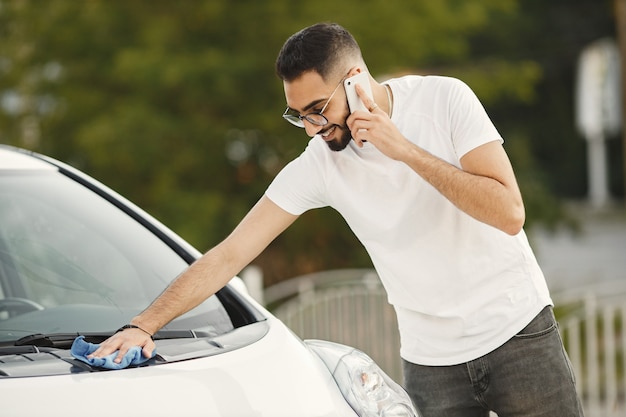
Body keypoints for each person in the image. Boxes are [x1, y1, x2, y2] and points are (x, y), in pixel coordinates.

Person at [91, 22, 584, 416]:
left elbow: (508, 213)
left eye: (317, 110)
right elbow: (230, 254)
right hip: (430, 363)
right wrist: (144, 325)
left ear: (355, 79)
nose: (311, 127)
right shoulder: (319, 163)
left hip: (517, 333)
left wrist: (405, 150)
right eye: (297, 115)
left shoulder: (445, 100)